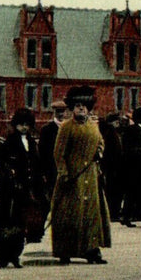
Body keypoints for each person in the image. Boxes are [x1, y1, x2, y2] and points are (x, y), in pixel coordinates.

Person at [51, 86, 111, 265]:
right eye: (78, 106)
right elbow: (58, 153)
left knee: (92, 214)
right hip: (72, 178)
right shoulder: (66, 128)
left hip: (90, 177)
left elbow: (100, 143)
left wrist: (98, 153)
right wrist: (64, 173)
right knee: (69, 214)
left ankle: (92, 250)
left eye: (84, 106)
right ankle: (65, 251)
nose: (81, 109)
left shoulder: (93, 127)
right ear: (72, 108)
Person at [0, 108, 43, 268]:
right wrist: (11, 177)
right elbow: (2, 163)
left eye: (27, 125)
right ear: (16, 125)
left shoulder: (32, 142)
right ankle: (1, 258)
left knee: (21, 224)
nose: (24, 128)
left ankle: (15, 255)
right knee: (6, 223)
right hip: (10, 191)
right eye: (21, 125)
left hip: (26, 189)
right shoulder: (9, 142)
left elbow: (36, 164)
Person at [39, 100, 70, 203]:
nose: (61, 114)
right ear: (54, 113)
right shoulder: (47, 129)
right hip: (52, 166)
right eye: (58, 112)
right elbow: (42, 151)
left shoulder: (69, 128)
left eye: (62, 111)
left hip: (67, 166)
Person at [98, 112, 125, 222]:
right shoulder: (111, 133)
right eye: (116, 121)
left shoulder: (112, 132)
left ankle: (114, 212)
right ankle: (113, 212)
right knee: (114, 191)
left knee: (114, 190)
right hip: (113, 167)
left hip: (114, 167)